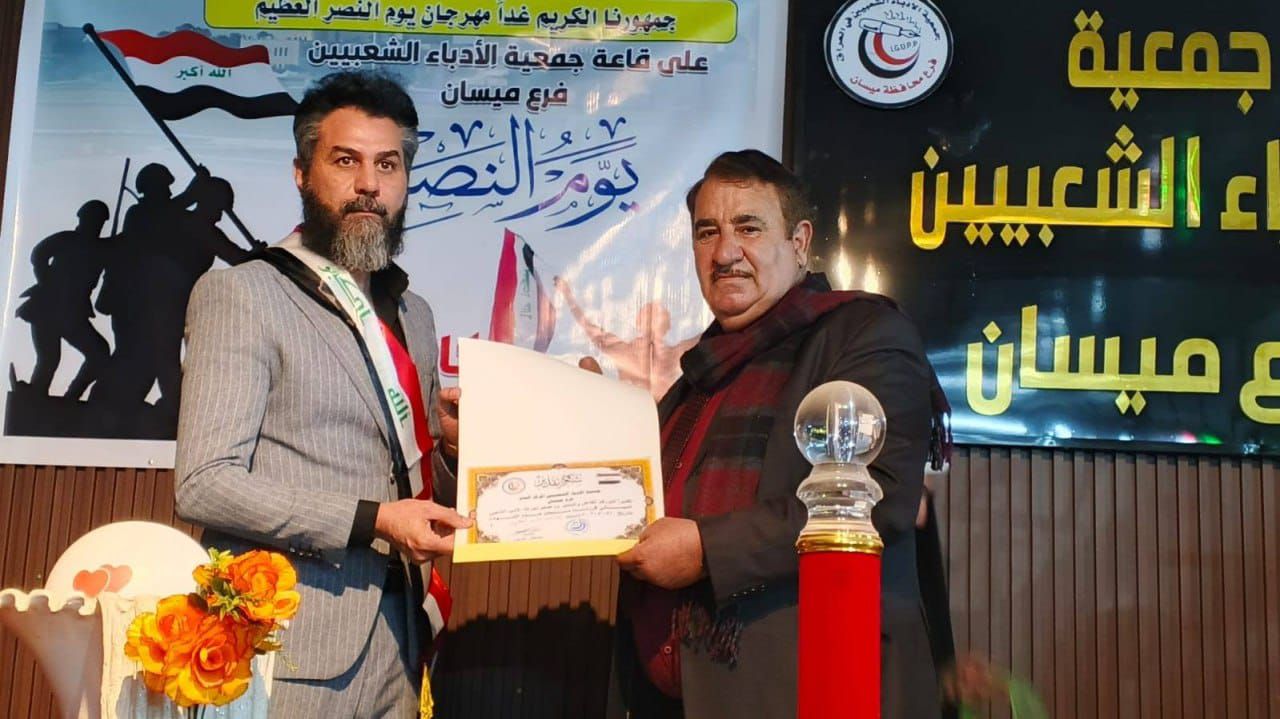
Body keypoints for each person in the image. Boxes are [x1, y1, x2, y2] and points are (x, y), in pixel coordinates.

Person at [608, 150, 952, 718]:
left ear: (799, 242)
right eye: (707, 232)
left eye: (749, 228)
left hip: (813, 687)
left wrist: (705, 550)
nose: (725, 253)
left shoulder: (864, 335)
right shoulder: (702, 371)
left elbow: (878, 497)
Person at [175, 70, 469, 718]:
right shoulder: (241, 294)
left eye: (388, 164)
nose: (369, 184)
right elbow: (204, 483)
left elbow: (413, 484)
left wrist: (449, 447)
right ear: (301, 174)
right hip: (287, 646)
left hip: (401, 641)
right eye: (345, 160)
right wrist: (372, 520)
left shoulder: (414, 314)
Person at [15, 199, 112, 398]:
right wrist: (46, 281)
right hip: (46, 309)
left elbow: (122, 246)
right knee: (49, 359)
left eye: (99, 221)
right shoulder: (67, 239)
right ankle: (35, 394)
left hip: (74, 313)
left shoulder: (102, 249)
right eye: (92, 219)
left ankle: (72, 397)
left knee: (99, 353)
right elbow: (38, 255)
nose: (95, 224)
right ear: (82, 219)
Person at [555, 276, 697, 399]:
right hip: (627, 410)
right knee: (587, 363)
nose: (652, 320)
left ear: (667, 325)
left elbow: (702, 338)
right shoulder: (624, 350)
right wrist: (568, 295)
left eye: (658, 316)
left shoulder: (674, 354)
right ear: (639, 322)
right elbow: (588, 326)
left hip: (661, 413)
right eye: (648, 315)